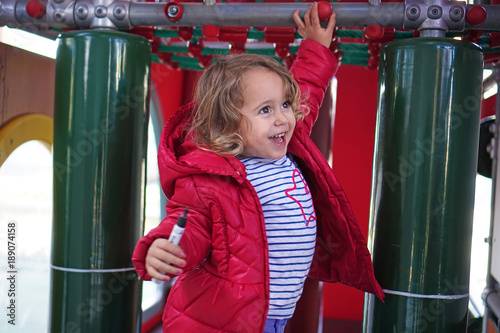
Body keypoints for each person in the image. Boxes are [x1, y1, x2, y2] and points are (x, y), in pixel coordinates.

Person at [132, 3, 384, 332]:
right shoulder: (210, 180)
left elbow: (307, 87)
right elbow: (189, 223)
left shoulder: (287, 143)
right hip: (226, 320)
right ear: (227, 126)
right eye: (265, 110)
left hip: (274, 313)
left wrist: (315, 46)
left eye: (284, 105)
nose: (282, 117)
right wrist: (164, 248)